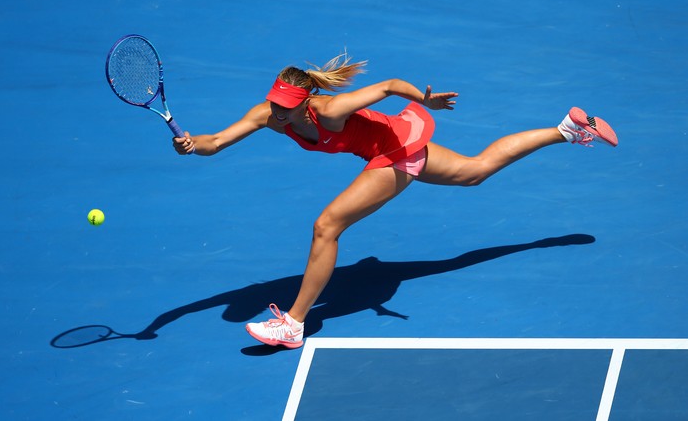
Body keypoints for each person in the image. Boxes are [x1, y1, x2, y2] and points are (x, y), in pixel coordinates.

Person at [172, 54, 618, 349]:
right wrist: (194, 144)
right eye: (275, 102)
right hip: (383, 146)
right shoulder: (269, 116)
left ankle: (293, 323)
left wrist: (425, 99)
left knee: (327, 225)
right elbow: (217, 140)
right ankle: (567, 129)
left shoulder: (329, 110)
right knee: (475, 171)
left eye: (287, 105)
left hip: (395, 149)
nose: (278, 111)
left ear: (307, 100)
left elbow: (386, 85)